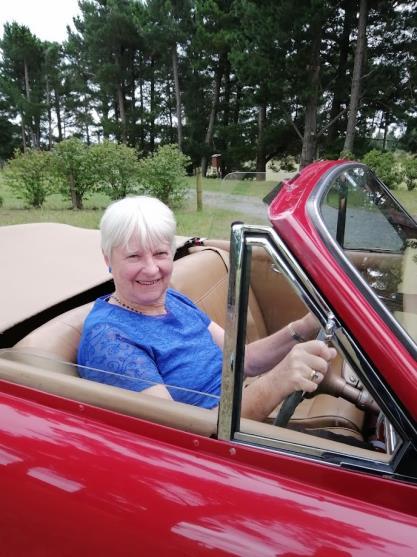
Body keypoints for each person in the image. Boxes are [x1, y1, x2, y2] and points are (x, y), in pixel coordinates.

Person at [78, 196, 336, 421]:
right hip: (222, 440)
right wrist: (275, 383)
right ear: (107, 258)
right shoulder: (109, 339)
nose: (151, 268)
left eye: (160, 254)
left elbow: (242, 360)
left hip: (240, 412)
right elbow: (180, 433)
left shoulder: (172, 300)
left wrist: (303, 327)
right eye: (134, 256)